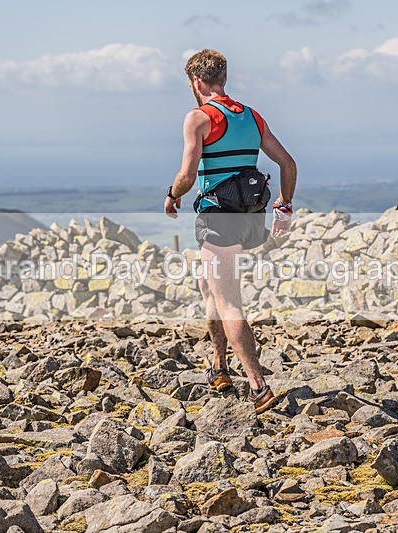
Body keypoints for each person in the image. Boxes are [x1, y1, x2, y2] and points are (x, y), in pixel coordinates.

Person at [164, 49, 297, 414]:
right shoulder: (252, 117)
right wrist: (283, 209)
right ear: (222, 77)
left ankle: (258, 387)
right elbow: (287, 162)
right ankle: (219, 367)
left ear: (196, 82)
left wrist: (172, 196)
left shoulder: (199, 117)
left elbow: (188, 176)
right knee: (209, 287)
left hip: (218, 218)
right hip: (249, 215)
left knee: (228, 303)